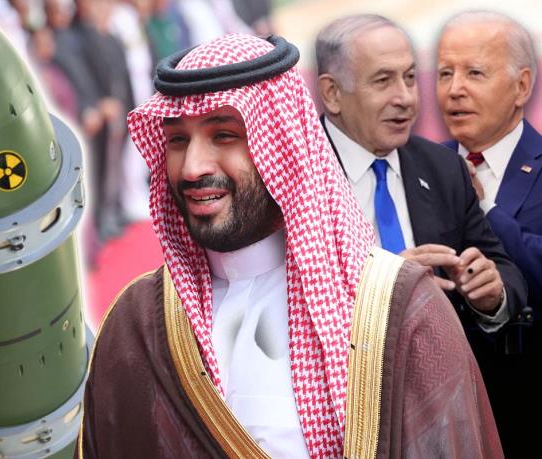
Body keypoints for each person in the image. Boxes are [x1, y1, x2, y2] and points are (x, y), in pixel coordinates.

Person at [81, 33, 502, 458]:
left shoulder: (399, 311)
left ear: (282, 147)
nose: (192, 167)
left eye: (224, 136)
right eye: (177, 140)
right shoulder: (137, 323)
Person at [314, 11, 527, 400]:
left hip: (440, 398)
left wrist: (491, 294)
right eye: (383, 81)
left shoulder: (443, 167)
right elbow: (280, 307)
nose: (406, 98)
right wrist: (383, 286)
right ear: (332, 94)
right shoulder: (294, 178)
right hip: (338, 397)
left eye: (410, 78)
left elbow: (503, 269)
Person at [436, 11, 541, 457]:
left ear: (522, 86)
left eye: (475, 73)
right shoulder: (417, 167)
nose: (454, 89)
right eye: (445, 73)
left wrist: (482, 208)